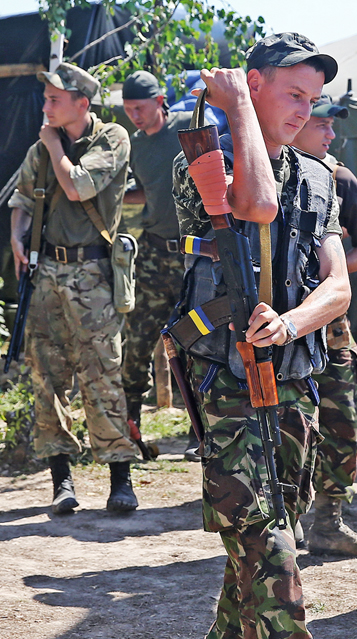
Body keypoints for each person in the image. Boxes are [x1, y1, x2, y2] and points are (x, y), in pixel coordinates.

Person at [172, 33, 350, 639]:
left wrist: (293, 322)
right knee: (267, 540)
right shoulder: (203, 158)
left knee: (260, 536)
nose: (305, 109)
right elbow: (257, 205)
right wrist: (240, 109)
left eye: (313, 98)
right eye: (292, 94)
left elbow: (336, 287)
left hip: (294, 380)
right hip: (226, 381)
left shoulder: (319, 177)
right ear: (251, 84)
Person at [8, 62, 138, 514]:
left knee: (102, 375)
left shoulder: (112, 139)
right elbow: (23, 197)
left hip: (94, 274)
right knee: (47, 377)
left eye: (54, 100)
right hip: (46, 275)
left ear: (82, 104)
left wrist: (51, 143)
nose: (45, 107)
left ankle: (119, 478)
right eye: (46, 99)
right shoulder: (42, 147)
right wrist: (17, 234)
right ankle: (61, 481)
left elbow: (80, 186)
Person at [292, 95, 357, 557]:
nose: (330, 135)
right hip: (276, 323)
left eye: (331, 126)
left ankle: (328, 522)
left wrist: (329, 279)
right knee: (283, 422)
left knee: (342, 418)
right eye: (322, 125)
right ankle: (282, 524)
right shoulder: (267, 172)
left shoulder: (338, 178)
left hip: (329, 324)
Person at [120, 71, 200, 460]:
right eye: (128, 108)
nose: (134, 114)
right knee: (137, 342)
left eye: (140, 107)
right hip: (153, 255)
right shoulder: (134, 144)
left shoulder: (188, 127)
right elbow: (143, 190)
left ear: (159, 101)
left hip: (194, 256)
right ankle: (130, 430)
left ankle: (198, 432)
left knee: (197, 343)